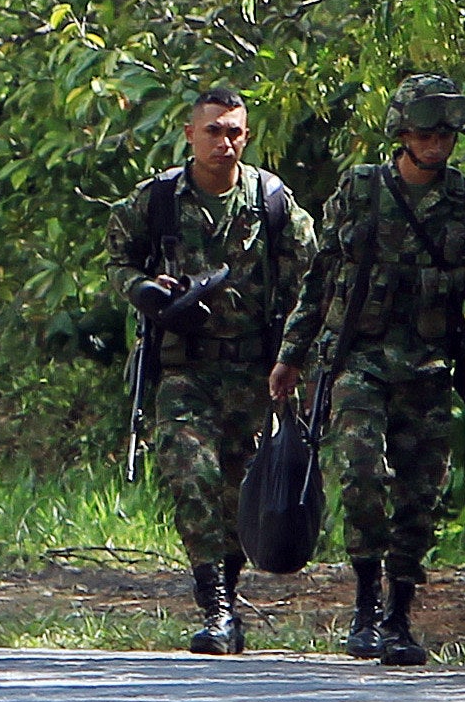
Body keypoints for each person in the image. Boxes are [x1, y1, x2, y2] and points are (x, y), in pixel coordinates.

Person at [269, 74, 465, 666]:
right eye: (426, 132)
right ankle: (366, 606)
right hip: (358, 363)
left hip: (429, 367)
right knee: (364, 477)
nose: (438, 143)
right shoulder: (362, 190)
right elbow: (320, 280)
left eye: (447, 133)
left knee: (421, 496)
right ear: (402, 134)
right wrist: (292, 356)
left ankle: (399, 615)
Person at [108, 86, 315, 654]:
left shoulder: (270, 202)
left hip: (255, 372)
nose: (224, 143)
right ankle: (215, 606)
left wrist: (297, 359)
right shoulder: (158, 201)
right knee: (189, 474)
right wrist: (144, 291)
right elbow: (117, 258)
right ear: (189, 135)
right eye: (213, 131)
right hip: (184, 369)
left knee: (238, 490)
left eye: (234, 132)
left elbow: (313, 282)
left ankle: (231, 592)